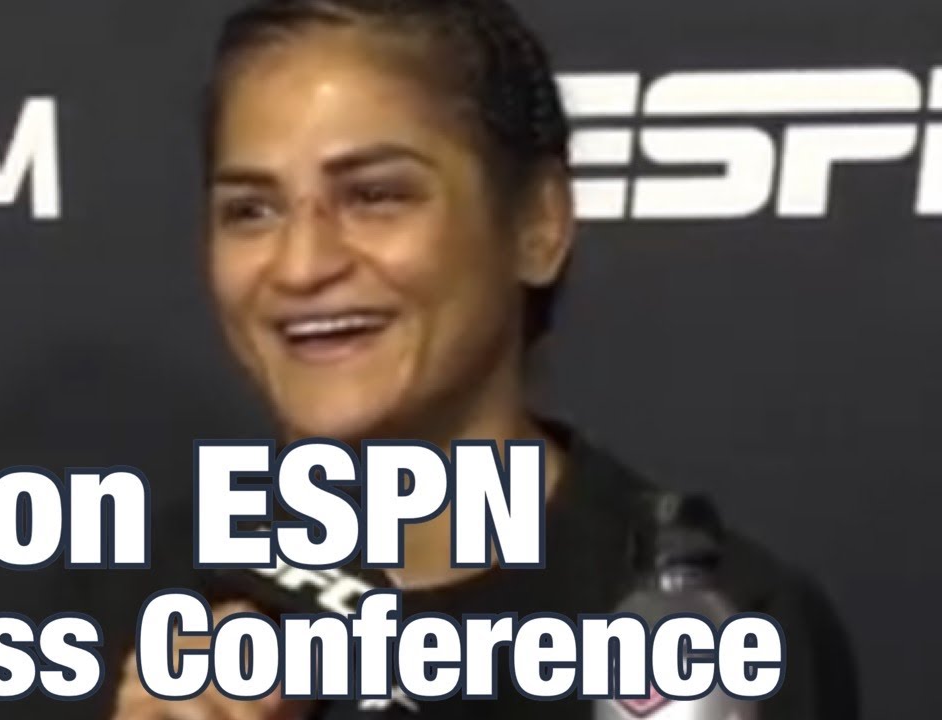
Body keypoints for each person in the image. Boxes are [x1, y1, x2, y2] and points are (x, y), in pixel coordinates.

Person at [109, 0, 858, 717]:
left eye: (376, 195)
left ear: (538, 225)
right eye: (251, 210)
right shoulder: (137, 597)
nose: (301, 264)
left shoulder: (709, 626)